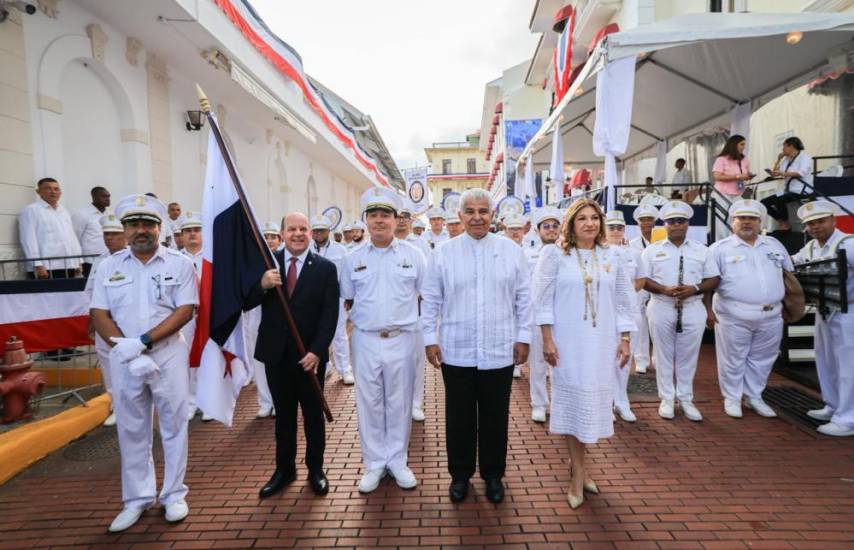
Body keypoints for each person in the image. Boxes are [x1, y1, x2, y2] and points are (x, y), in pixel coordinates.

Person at [90, 194, 197, 532]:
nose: (141, 230)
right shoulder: (109, 266)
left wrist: (144, 342)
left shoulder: (179, 264)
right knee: (131, 428)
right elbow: (99, 313)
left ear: (159, 228)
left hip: (166, 353)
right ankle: (136, 499)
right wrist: (125, 348)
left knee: (174, 425)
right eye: (134, 224)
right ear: (123, 230)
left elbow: (185, 310)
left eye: (148, 224)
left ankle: (173, 494)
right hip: (124, 358)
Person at [421, 188, 531, 504]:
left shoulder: (511, 251)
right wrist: (430, 339)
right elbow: (431, 300)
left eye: (483, 211)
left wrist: (523, 336)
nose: (477, 217)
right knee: (459, 417)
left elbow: (524, 298)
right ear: (460, 216)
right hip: (457, 349)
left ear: (492, 214)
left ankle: (494, 475)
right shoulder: (443, 253)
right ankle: (460, 476)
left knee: (496, 416)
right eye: (470, 211)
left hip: (500, 350)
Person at [534, 199, 634, 508]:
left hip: (601, 343)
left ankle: (580, 466)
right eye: (582, 219)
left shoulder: (612, 256)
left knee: (591, 406)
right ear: (571, 224)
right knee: (574, 404)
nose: (589, 223)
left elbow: (622, 299)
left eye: (594, 218)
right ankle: (578, 474)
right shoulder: (554, 255)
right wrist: (547, 340)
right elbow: (542, 301)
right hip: (568, 344)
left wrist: (626, 338)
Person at [246, 212, 339, 498]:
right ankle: (284, 470)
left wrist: (317, 351)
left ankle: (316, 469)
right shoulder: (266, 262)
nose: (297, 234)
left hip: (309, 357)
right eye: (291, 229)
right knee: (284, 416)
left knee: (313, 416)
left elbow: (329, 314)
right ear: (283, 233)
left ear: (311, 233)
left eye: (303, 229)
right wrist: (261, 284)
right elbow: (246, 300)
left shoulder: (325, 268)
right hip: (277, 354)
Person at [340, 188, 426, 493]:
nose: (379, 221)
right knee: (369, 403)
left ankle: (398, 461)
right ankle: (374, 463)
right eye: (373, 215)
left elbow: (426, 297)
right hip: (365, 339)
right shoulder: (352, 259)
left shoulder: (413, 255)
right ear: (366, 220)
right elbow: (348, 299)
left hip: (402, 338)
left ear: (395, 219)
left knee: (399, 402)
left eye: (385, 215)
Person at [706, 200, 793, 419]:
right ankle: (732, 398)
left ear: (760, 221)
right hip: (733, 313)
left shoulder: (774, 244)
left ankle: (754, 396)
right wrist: (707, 310)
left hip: (771, 314)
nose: (746, 222)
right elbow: (708, 282)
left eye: (752, 218)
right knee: (733, 358)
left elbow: (789, 275)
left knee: (763, 358)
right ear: (732, 222)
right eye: (741, 218)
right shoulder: (719, 249)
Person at [642, 201, 719, 422]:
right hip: (661, 306)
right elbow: (643, 279)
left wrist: (694, 288)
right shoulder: (652, 251)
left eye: (681, 221)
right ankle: (666, 398)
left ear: (687, 224)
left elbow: (713, 278)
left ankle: (686, 398)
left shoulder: (702, 250)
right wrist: (663, 289)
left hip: (693, 306)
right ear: (664, 224)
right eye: (672, 221)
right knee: (663, 355)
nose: (676, 225)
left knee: (688, 355)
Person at [792, 200, 854, 437]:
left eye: (820, 221)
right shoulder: (811, 249)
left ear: (833, 220)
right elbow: (790, 262)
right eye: (810, 224)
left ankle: (848, 418)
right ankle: (833, 406)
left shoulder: (848, 244)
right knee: (826, 360)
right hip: (824, 310)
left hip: (849, 311)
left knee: (849, 366)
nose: (815, 227)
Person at [84, 214, 127, 427]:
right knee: (108, 366)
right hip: (103, 323)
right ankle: (116, 406)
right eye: (106, 234)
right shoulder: (100, 261)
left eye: (114, 234)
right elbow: (90, 292)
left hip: (126, 323)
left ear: (125, 236)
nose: (109, 238)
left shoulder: (133, 259)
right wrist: (91, 319)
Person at [605, 209, 646, 423]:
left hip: (629, 314)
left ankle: (622, 402)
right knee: (604, 360)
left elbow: (641, 280)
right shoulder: (599, 252)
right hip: (604, 315)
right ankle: (606, 404)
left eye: (619, 227)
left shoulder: (634, 254)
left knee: (623, 360)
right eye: (611, 227)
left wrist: (625, 293)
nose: (615, 230)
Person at [394, 206, 431, 422]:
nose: (400, 221)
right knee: (395, 363)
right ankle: (399, 404)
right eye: (397, 217)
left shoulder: (421, 246)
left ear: (410, 221)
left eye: (404, 218)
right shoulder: (386, 245)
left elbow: (429, 282)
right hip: (393, 317)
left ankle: (415, 403)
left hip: (416, 314)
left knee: (417, 360)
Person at [310, 214, 355, 385]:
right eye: (316, 231)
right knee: (316, 335)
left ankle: (344, 370)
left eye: (322, 230)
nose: (319, 233)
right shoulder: (307, 249)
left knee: (339, 334)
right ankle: (325, 366)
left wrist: (347, 297)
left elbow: (345, 276)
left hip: (335, 299)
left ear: (328, 231)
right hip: (312, 301)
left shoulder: (341, 250)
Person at [527, 206, 561, 423]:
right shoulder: (527, 254)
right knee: (538, 362)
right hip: (535, 316)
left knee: (559, 363)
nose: (551, 230)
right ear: (537, 230)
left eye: (555, 226)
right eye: (546, 227)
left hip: (562, 315)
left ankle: (559, 403)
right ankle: (539, 403)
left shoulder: (568, 253)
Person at [245, 222, 281, 419]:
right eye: (265, 236)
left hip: (277, 318)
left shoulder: (284, 259)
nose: (269, 240)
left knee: (277, 361)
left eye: (273, 236)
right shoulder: (253, 261)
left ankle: (278, 401)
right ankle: (265, 401)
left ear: (279, 239)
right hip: (255, 316)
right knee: (258, 360)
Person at [19, 177, 83, 279]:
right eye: (48, 188)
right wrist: (37, 265)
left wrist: (78, 261)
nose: (53, 192)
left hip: (68, 265)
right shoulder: (31, 210)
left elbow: (72, 237)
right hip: (46, 268)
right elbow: (28, 239)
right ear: (38, 191)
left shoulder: (64, 211)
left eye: (56, 189)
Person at [177, 212, 205, 421]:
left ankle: (208, 401)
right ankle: (190, 401)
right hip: (185, 315)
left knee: (209, 357)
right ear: (182, 236)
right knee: (186, 358)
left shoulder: (212, 257)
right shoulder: (175, 259)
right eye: (188, 231)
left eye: (196, 230)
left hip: (209, 314)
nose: (192, 234)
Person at [628, 204, 659, 374]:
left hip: (658, 287)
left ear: (655, 222)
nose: (646, 223)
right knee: (640, 324)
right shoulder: (632, 245)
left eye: (649, 219)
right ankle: (641, 360)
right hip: (640, 288)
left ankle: (657, 360)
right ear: (638, 223)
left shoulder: (662, 241)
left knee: (658, 327)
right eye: (642, 220)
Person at [761, 136, 814, 222]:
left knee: (779, 200)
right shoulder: (787, 159)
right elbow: (776, 172)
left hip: (801, 191)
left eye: (784, 146)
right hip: (788, 191)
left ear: (791, 146)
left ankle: (785, 223)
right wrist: (778, 160)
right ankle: (781, 221)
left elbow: (801, 173)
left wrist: (782, 173)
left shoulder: (805, 158)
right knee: (764, 202)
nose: (783, 149)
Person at [72, 186, 111, 277]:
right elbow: (74, 239)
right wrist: (77, 263)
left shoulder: (110, 215)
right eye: (104, 196)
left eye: (108, 196)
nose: (108, 199)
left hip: (108, 260)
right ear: (94, 197)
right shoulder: (82, 214)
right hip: (90, 262)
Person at [712, 134, 754, 202]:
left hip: (739, 194)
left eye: (744, 144)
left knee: (739, 212)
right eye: (742, 144)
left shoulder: (745, 160)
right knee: (723, 213)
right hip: (722, 194)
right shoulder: (721, 159)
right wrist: (738, 176)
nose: (744, 147)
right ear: (734, 145)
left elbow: (745, 174)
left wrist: (748, 176)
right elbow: (717, 177)